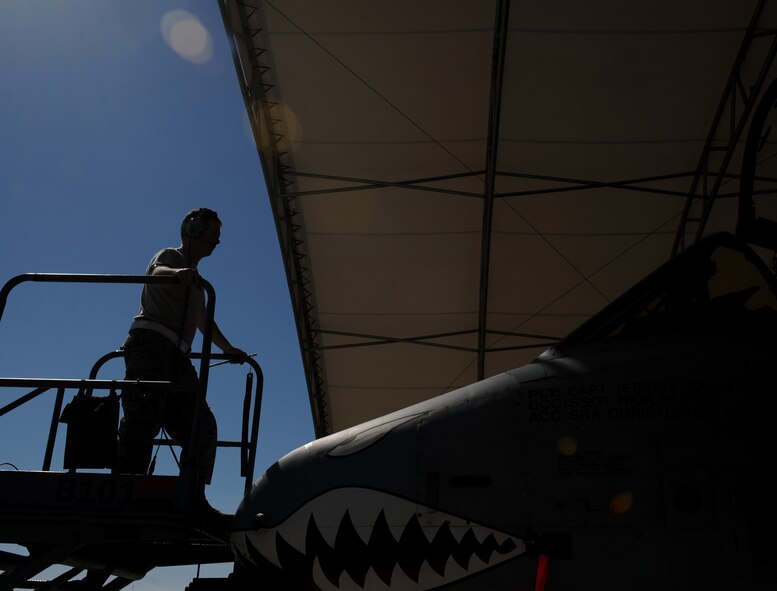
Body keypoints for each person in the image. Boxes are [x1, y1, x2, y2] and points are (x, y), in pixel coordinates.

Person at [117, 207, 247, 512]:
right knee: (141, 425)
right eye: (212, 235)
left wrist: (228, 348)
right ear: (191, 231)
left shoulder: (198, 285)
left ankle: (193, 497)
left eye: (217, 238)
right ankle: (125, 494)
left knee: (201, 427)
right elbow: (156, 272)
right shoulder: (171, 258)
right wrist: (178, 274)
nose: (216, 243)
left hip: (178, 356)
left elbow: (203, 320)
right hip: (149, 346)